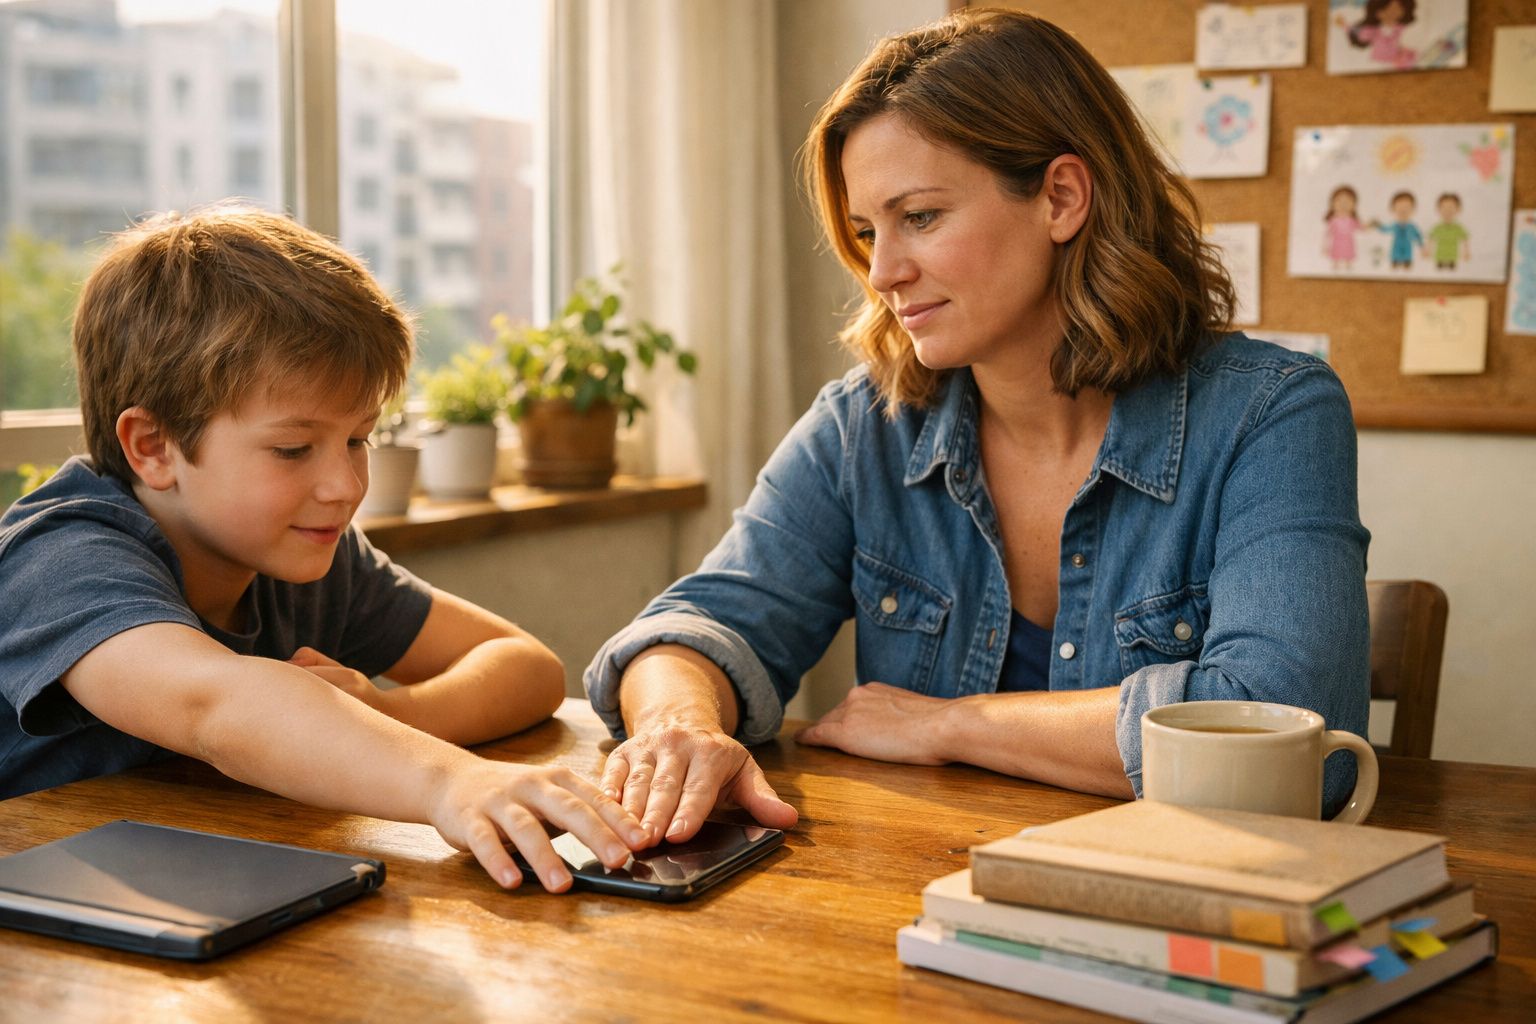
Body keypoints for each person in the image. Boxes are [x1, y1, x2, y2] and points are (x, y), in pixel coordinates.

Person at [584, 8, 1370, 846]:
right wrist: (680, 723)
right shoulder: (863, 428)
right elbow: (698, 627)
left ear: (1061, 198)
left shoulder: (1272, 413)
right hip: (921, 895)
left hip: (1187, 898)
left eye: (920, 217)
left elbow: (1293, 739)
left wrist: (949, 724)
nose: (882, 271)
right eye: (867, 231)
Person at [0, 205, 647, 892]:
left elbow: (527, 667)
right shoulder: (61, 561)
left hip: (202, 889)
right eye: (293, 449)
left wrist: (387, 716)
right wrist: (449, 781)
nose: (345, 486)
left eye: (358, 439)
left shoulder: (300, 554)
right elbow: (217, 707)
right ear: (154, 447)